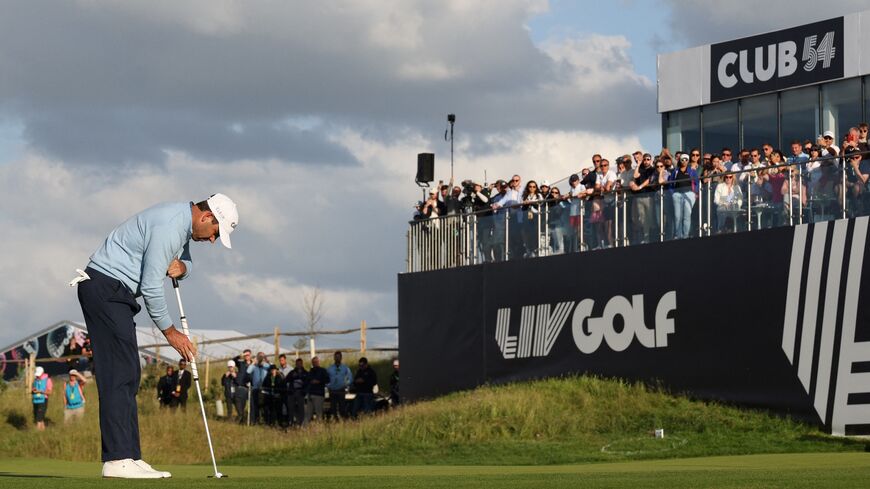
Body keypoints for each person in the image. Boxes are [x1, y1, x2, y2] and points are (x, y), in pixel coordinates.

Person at [72, 193, 238, 478]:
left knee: (129, 372)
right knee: (119, 373)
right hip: (105, 289)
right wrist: (170, 333)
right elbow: (151, 286)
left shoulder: (183, 226)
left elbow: (184, 263)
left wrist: (183, 268)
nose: (212, 240)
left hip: (114, 293)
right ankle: (117, 459)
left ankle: (130, 456)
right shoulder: (170, 226)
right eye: (215, 233)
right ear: (207, 217)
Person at [668, 153, 698, 239]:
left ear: (688, 161)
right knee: (677, 216)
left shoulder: (692, 171)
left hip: (689, 194)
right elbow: (670, 183)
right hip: (677, 194)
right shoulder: (675, 171)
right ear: (680, 160)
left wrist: (695, 192)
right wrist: (672, 193)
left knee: (687, 215)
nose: (684, 161)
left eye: (686, 159)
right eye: (682, 159)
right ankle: (678, 235)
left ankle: (685, 235)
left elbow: (696, 182)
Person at [326, 351, 353, 420]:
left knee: (342, 408)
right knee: (333, 408)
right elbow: (325, 378)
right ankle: (335, 421)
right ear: (334, 358)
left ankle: (344, 421)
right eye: (336, 357)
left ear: (341, 358)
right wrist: (329, 386)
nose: (337, 358)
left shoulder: (345, 368)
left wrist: (346, 384)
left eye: (339, 357)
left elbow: (350, 378)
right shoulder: (329, 368)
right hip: (332, 391)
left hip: (341, 390)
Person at [520, 180, 543, 257]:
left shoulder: (539, 195)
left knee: (535, 232)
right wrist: (525, 203)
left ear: (536, 187)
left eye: (534, 186)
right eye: (530, 186)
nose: (532, 188)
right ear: (528, 187)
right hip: (527, 216)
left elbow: (541, 202)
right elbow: (521, 205)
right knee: (527, 233)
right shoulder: (524, 196)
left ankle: (535, 249)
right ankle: (529, 249)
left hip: (536, 216)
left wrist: (531, 202)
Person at [247, 352, 271, 424]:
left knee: (265, 406)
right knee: (255, 406)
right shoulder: (254, 366)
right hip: (255, 388)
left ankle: (266, 421)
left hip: (265, 388)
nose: (260, 358)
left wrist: (264, 362)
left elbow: (270, 367)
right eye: (259, 357)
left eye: (262, 357)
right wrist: (253, 363)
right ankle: (256, 421)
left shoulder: (266, 366)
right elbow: (248, 371)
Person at [305, 356, 330, 423]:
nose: (315, 363)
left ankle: (320, 430)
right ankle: (303, 429)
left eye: (316, 362)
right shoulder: (310, 371)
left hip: (319, 394)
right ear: (312, 363)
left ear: (319, 362)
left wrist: (319, 381)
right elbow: (307, 382)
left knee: (319, 414)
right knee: (308, 414)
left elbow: (327, 380)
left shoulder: (323, 370)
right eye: (313, 362)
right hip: (310, 394)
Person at [286, 358, 309, 426]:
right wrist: (292, 378)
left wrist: (304, 392)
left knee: (301, 408)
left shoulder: (305, 373)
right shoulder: (292, 372)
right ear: (295, 364)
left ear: (302, 364)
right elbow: (286, 380)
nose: (298, 365)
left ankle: (301, 423)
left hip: (300, 392)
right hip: (292, 392)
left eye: (300, 364)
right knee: (291, 408)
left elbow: (308, 383)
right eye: (297, 364)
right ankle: (291, 423)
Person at [31, 366, 52, 431]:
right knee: (40, 418)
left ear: (42, 373)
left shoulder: (48, 380)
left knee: (38, 419)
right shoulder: (35, 380)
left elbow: (49, 392)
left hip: (43, 400)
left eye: (39, 375)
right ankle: (43, 431)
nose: (38, 376)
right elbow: (33, 389)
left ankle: (37, 432)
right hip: (35, 401)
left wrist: (41, 391)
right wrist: (33, 390)